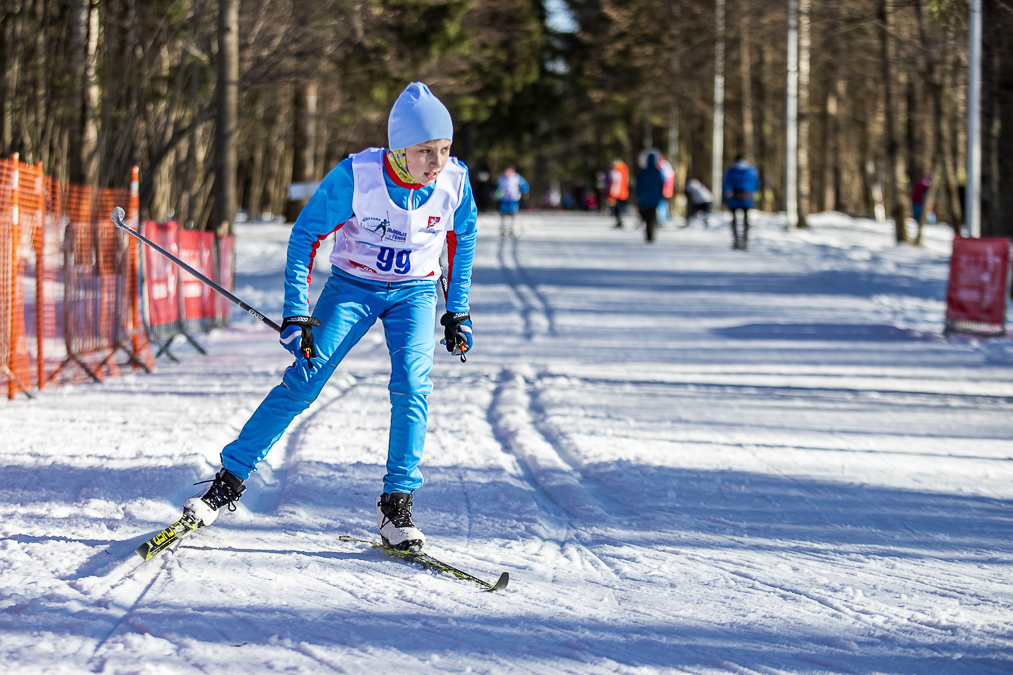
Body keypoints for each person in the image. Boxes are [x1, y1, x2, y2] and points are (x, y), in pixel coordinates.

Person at [179, 82, 478, 552]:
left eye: (444, 149)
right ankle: (227, 484)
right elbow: (305, 236)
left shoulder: (454, 182)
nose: (437, 162)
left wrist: (457, 309)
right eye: (426, 151)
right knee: (304, 380)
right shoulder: (357, 176)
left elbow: (463, 241)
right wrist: (297, 310)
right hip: (352, 288)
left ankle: (396, 506)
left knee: (414, 388)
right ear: (401, 148)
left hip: (415, 293)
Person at [722, 154, 759, 250]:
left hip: (734, 197)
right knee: (746, 221)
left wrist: (727, 193)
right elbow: (755, 183)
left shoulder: (731, 170)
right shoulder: (751, 170)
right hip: (747, 198)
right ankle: (745, 242)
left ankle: (735, 241)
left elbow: (727, 183)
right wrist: (752, 193)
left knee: (734, 220)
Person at [635, 152, 665, 243]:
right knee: (652, 216)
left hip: (644, 198)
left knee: (646, 216)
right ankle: (651, 233)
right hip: (654, 198)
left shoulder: (643, 172)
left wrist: (638, 195)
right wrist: (660, 196)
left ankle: (648, 233)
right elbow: (661, 185)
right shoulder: (658, 172)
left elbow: (638, 185)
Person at [496, 165, 529, 236]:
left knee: (513, 214)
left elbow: (524, 184)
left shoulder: (516, 177)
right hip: (504, 198)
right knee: (503, 214)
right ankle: (503, 229)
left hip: (513, 199)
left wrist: (525, 192)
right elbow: (498, 187)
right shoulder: (501, 178)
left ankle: (513, 229)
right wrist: (496, 194)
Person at [608, 159, 630, 228]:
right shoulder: (624, 170)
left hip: (616, 193)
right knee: (619, 208)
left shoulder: (616, 171)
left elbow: (616, 183)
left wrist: (613, 193)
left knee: (616, 208)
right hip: (623, 192)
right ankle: (619, 221)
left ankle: (619, 221)